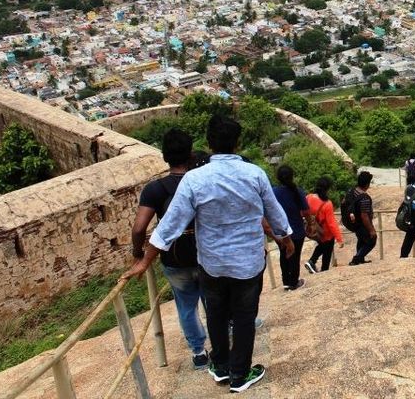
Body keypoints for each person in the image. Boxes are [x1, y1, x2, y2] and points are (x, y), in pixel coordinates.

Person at [122, 115, 294, 394]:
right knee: (243, 316)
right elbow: (273, 212)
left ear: (208, 143)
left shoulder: (194, 180)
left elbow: (169, 225)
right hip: (247, 262)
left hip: (211, 263)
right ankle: (239, 375)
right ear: (237, 143)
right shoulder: (254, 174)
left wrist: (144, 260)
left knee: (214, 314)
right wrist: (285, 238)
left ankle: (221, 367)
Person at [130, 129, 208, 370]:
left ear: (165, 157)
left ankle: (198, 352)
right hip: (205, 253)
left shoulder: (156, 189)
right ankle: (223, 341)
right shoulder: (201, 181)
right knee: (212, 301)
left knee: (186, 307)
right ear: (190, 154)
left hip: (175, 258)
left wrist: (138, 254)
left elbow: (139, 228)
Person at [271, 165, 314, 291]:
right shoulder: (297, 191)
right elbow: (306, 211)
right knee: (295, 255)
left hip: (280, 231)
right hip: (296, 229)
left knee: (284, 254)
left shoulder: (273, 192)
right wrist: (310, 224)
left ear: (278, 177)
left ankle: (286, 281)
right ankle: (294, 282)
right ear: (292, 176)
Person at [305, 177, 343, 273]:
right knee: (327, 250)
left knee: (321, 246)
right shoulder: (327, 204)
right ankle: (322, 270)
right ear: (327, 189)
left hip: (313, 228)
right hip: (325, 232)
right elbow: (332, 223)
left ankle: (312, 262)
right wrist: (339, 238)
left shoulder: (308, 197)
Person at [349, 171, 377, 266]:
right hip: (362, 223)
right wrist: (371, 230)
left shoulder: (353, 191)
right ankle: (356, 259)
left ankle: (360, 259)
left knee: (361, 240)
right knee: (372, 240)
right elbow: (364, 215)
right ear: (367, 184)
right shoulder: (364, 198)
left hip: (354, 222)